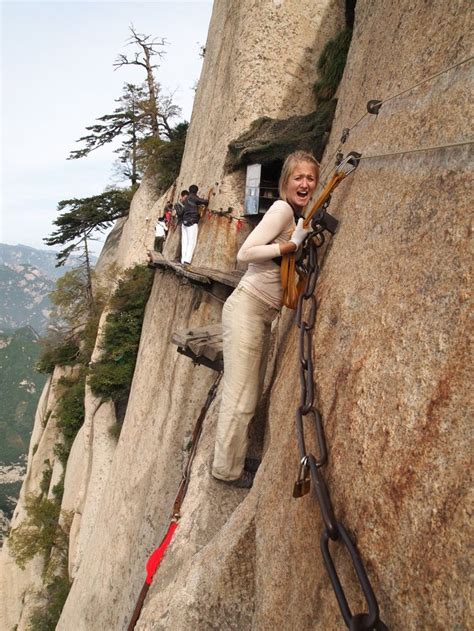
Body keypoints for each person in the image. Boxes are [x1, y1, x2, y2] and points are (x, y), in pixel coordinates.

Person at [212, 150, 319, 488]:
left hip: (259, 314)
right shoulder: (282, 209)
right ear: (286, 181)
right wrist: (287, 248)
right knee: (241, 397)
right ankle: (225, 471)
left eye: (310, 178)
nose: (304, 183)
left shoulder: (298, 215)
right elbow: (245, 253)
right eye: (298, 177)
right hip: (247, 308)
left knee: (250, 392)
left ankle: (236, 459)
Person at [181, 184, 209, 265]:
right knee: (191, 242)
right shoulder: (193, 197)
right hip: (192, 222)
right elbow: (204, 202)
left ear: (189, 190)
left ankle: (183, 260)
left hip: (184, 222)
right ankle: (187, 261)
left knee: (184, 242)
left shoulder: (185, 199)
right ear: (196, 191)